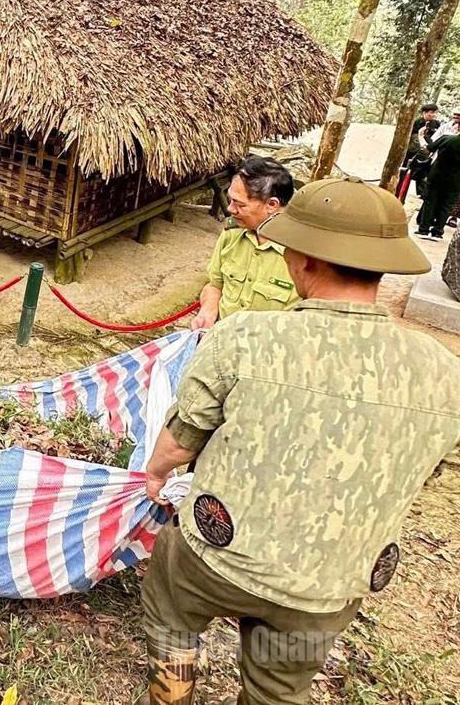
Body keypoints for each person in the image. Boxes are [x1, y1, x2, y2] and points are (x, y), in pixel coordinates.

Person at [139, 178, 459, 705]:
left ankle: (170, 694)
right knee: (279, 688)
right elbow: (431, 466)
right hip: (329, 582)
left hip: (217, 556)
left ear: (302, 260)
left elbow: (181, 442)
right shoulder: (445, 374)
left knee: (171, 611)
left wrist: (155, 473)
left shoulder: (245, 338)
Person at [189, 157, 298, 330]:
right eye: (230, 200)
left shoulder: (301, 255)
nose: (230, 209)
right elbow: (215, 285)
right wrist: (208, 311)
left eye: (239, 204)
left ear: (272, 204)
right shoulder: (231, 234)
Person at [415, 126, 460, 241]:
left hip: (437, 176)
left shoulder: (446, 139)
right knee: (446, 206)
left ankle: (423, 229)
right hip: (456, 180)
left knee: (430, 202)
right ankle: (437, 232)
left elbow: (428, 149)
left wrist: (422, 137)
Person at [401, 103, 440, 198]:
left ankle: (422, 195)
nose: (433, 115)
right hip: (412, 153)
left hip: (427, 154)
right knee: (405, 174)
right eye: (431, 112)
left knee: (422, 175)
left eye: (435, 113)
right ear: (424, 113)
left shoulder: (437, 124)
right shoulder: (416, 123)